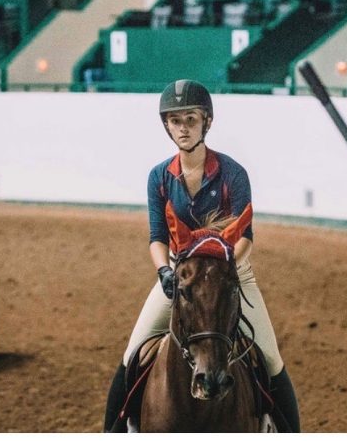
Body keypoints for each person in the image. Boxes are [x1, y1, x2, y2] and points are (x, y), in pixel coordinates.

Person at [103, 79, 300, 433]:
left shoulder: (233, 174)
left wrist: (225, 268)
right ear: (167, 125)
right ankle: (113, 431)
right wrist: (165, 271)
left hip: (232, 274)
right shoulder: (159, 177)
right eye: (175, 120)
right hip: (181, 280)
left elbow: (246, 238)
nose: (183, 127)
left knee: (271, 360)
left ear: (206, 122)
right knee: (131, 356)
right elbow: (156, 237)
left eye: (190, 119)